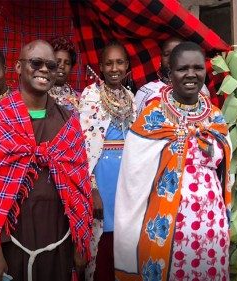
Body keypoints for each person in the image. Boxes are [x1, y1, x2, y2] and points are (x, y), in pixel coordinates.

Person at [0, 39, 93, 281]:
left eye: (51, 65)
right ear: (18, 68)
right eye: (36, 63)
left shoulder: (68, 121)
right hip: (12, 241)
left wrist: (81, 240)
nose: (45, 69)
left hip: (60, 237)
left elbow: (80, 186)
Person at [114, 42, 231, 280]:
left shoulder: (215, 116)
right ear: (169, 73)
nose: (191, 74)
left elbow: (224, 167)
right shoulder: (153, 115)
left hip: (211, 223)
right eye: (182, 68)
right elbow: (133, 177)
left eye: (198, 68)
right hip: (165, 226)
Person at [78, 41, 136, 281]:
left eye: (120, 62)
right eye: (109, 63)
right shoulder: (90, 95)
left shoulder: (131, 97)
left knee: (123, 240)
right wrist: (92, 189)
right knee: (99, 240)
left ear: (127, 66)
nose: (115, 68)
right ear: (100, 67)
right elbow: (82, 146)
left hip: (125, 177)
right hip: (101, 175)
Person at [134, 37, 209, 115]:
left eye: (178, 54)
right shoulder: (146, 91)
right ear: (160, 59)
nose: (171, 59)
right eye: (167, 54)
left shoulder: (202, 89)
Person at [48, 36, 80, 110]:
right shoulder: (38, 96)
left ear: (71, 67)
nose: (62, 66)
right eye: (57, 62)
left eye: (67, 63)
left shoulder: (80, 99)